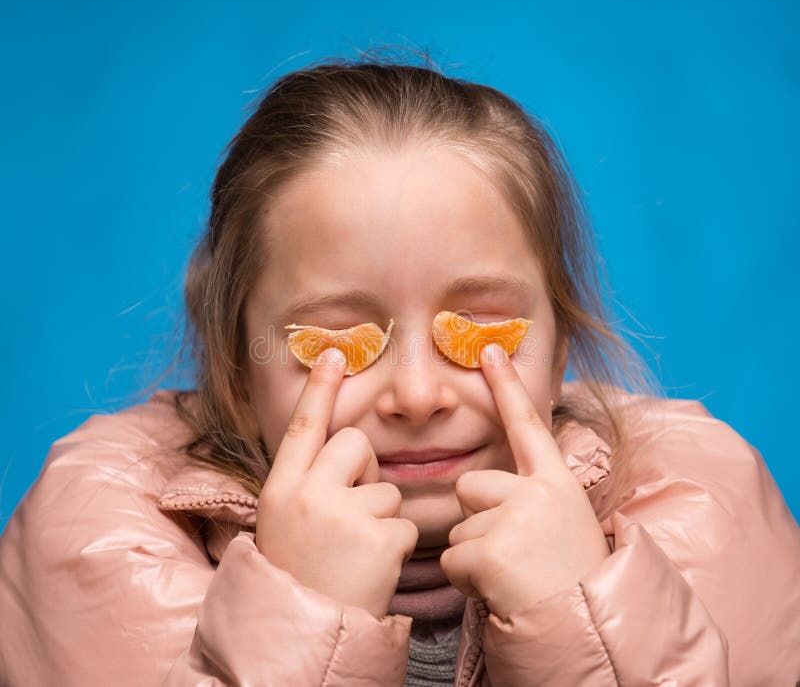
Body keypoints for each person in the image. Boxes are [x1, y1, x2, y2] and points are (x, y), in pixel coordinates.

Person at [1, 51, 798, 687]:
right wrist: (304, 618)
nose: (416, 395)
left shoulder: (707, 520)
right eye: (338, 341)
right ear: (237, 377)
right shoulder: (107, 551)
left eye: (483, 327)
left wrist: (581, 621)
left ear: (559, 353)